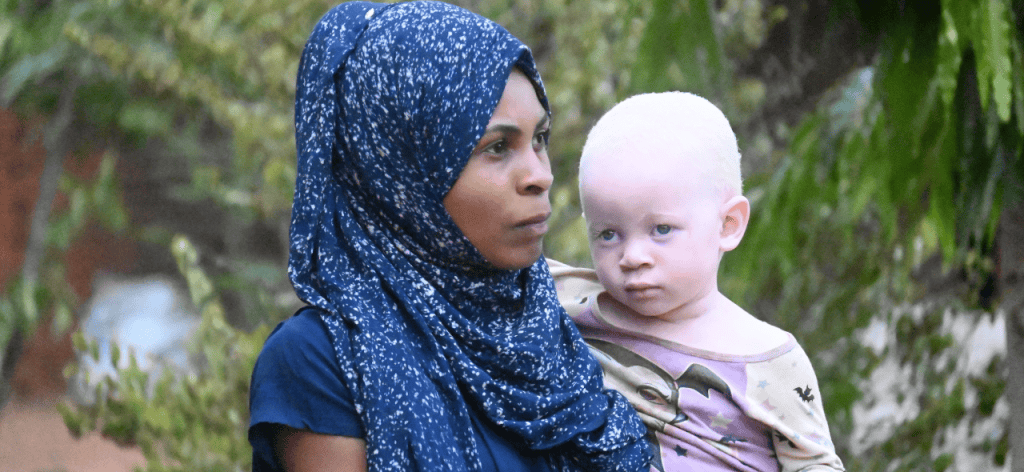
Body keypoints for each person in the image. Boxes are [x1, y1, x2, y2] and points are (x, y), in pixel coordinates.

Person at [247, 2, 653, 471]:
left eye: (539, 138)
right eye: (498, 147)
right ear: (402, 174)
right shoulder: (322, 362)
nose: (539, 175)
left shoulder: (559, 321)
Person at [548, 92, 845, 471]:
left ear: (728, 225)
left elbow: (814, 464)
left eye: (661, 229)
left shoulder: (767, 359)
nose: (632, 257)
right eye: (608, 234)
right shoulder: (573, 302)